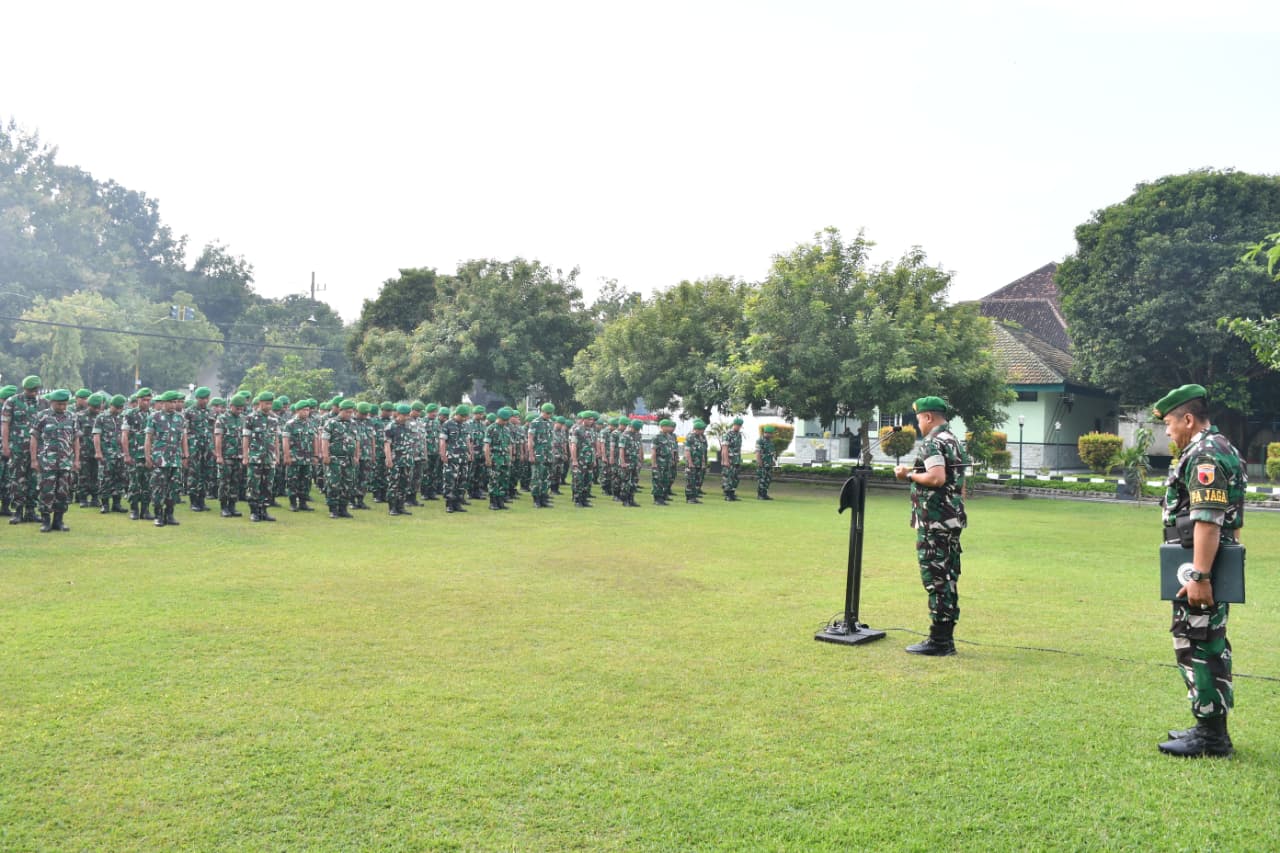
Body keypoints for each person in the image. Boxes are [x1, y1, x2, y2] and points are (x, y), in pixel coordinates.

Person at [1153, 384, 1245, 758]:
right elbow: (1231, 520)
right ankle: (1208, 725)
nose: (1168, 432)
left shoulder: (1205, 453)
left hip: (1200, 565)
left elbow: (1207, 520)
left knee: (1199, 644)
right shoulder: (1220, 447)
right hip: (1204, 562)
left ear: (1188, 419)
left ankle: (1210, 737)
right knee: (1207, 641)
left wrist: (1200, 577)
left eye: (1170, 423)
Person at [893, 396, 969, 657]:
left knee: (936, 578)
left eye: (918, 419)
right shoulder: (954, 441)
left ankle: (939, 642)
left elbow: (936, 478)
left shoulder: (933, 442)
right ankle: (943, 638)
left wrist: (908, 475)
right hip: (950, 519)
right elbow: (960, 485)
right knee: (948, 576)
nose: (917, 424)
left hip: (934, 522)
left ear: (928, 417)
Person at [30, 389, 80, 532]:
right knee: (46, 491)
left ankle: (58, 521)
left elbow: (76, 439)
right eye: (59, 404)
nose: (62, 407)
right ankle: (45, 521)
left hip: (65, 462)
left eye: (64, 404)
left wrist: (76, 460)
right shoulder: (42, 416)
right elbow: (34, 438)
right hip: (47, 462)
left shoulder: (72, 417)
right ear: (52, 402)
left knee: (63, 492)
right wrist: (34, 460)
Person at [2, 375, 44, 524]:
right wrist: (5, 445)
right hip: (17, 448)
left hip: (37, 449)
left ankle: (31, 511)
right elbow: (5, 425)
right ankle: (18, 511)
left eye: (35, 390)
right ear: (24, 388)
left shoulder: (43, 403)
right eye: (30, 390)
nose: (33, 392)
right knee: (17, 480)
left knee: (34, 480)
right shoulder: (12, 402)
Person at [145, 390, 189, 527]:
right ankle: (158, 516)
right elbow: (148, 438)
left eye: (176, 402)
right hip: (160, 459)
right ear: (163, 403)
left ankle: (169, 514)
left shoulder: (180, 418)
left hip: (175, 459)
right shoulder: (154, 417)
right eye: (171, 402)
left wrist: (186, 455)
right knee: (158, 488)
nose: (174, 404)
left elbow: (183, 439)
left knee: (174, 488)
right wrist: (148, 457)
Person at [320, 399, 360, 519]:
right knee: (333, 484)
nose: (349, 414)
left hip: (348, 459)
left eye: (351, 412)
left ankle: (343, 508)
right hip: (334, 458)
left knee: (347, 484)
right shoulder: (331, 423)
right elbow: (325, 440)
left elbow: (357, 441)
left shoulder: (353, 424)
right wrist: (325, 455)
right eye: (347, 412)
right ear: (340, 410)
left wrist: (357, 456)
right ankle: (333, 509)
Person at [242, 391, 279, 522]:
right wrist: (245, 456)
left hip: (269, 457)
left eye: (270, 403)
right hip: (255, 457)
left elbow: (275, 439)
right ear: (260, 403)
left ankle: (264, 510)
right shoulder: (250, 418)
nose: (269, 406)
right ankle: (254, 511)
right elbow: (246, 438)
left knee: (267, 485)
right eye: (267, 403)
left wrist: (277, 455)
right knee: (254, 485)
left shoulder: (274, 419)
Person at [121, 389, 154, 520]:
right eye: (143, 400)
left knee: (147, 483)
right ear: (138, 400)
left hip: (148, 455)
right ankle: (134, 510)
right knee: (134, 483)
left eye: (148, 400)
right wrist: (126, 454)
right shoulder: (130, 414)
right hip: (135, 454)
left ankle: (145, 510)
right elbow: (124, 435)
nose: (146, 402)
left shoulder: (153, 415)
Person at [94, 394, 129, 514]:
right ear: (111, 405)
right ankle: (105, 504)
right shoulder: (101, 418)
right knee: (105, 479)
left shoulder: (122, 418)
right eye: (117, 407)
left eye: (121, 408)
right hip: (106, 454)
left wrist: (125, 453)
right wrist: (98, 452)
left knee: (120, 478)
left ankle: (117, 503)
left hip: (119, 454)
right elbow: (97, 436)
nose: (119, 410)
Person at [214, 394, 248, 518]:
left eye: (241, 409)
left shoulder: (243, 419)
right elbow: (218, 438)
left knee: (235, 481)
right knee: (224, 482)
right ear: (231, 406)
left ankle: (232, 506)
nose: (239, 411)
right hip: (226, 456)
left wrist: (245, 455)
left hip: (238, 456)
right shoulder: (222, 419)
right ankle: (224, 507)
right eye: (237, 408)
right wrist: (219, 455)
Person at [384, 403, 417, 516]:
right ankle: (392, 507)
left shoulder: (409, 426)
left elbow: (412, 443)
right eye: (404, 415)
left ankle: (401, 506)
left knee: (404, 484)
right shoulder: (391, 426)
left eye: (408, 415)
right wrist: (388, 459)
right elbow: (387, 444)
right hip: (395, 460)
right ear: (398, 414)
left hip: (407, 460)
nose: (407, 417)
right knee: (394, 484)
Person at [440, 404, 470, 513]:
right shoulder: (447, 424)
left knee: (462, 480)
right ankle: (449, 504)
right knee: (450, 480)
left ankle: (458, 503)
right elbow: (442, 441)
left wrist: (469, 453)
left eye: (466, 416)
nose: (464, 418)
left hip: (463, 457)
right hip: (452, 457)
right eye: (462, 416)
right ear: (456, 414)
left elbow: (467, 440)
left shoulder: (465, 425)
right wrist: (443, 455)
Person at [526, 403, 556, 508]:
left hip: (548, 454)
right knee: (536, 477)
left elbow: (551, 440)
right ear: (542, 412)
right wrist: (530, 454)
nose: (549, 415)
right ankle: (536, 500)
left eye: (550, 413)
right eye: (547, 413)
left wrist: (553, 453)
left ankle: (544, 498)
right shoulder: (535, 423)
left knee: (546, 477)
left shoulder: (551, 423)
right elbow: (530, 439)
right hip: (538, 454)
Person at [650, 419, 677, 505]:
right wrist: (654, 463)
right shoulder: (657, 437)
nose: (670, 428)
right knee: (658, 480)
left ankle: (663, 497)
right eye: (668, 426)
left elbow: (671, 449)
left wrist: (672, 459)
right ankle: (657, 498)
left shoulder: (669, 437)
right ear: (662, 427)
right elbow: (653, 451)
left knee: (665, 480)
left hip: (667, 463)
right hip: (659, 463)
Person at [684, 419, 708, 503]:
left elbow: (702, 451)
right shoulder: (690, 436)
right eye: (701, 430)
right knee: (690, 480)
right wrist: (690, 462)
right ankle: (689, 498)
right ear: (696, 429)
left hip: (698, 463)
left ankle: (694, 497)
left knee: (696, 481)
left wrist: (703, 463)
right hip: (692, 463)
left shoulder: (700, 437)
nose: (702, 431)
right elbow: (687, 451)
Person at [721, 416, 744, 501]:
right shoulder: (727, 435)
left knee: (735, 478)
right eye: (737, 425)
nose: (738, 427)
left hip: (736, 459)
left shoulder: (739, 435)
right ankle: (727, 495)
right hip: (729, 459)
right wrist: (725, 460)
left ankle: (732, 493)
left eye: (740, 426)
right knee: (728, 477)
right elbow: (724, 449)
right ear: (734, 425)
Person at [755, 424, 778, 499]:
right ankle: (760, 495)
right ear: (767, 433)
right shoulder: (760, 441)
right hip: (762, 463)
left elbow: (772, 452)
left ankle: (765, 494)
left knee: (767, 479)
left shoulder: (770, 442)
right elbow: (757, 452)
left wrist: (773, 460)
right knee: (762, 479)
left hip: (769, 463)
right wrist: (759, 461)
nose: (772, 435)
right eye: (771, 433)